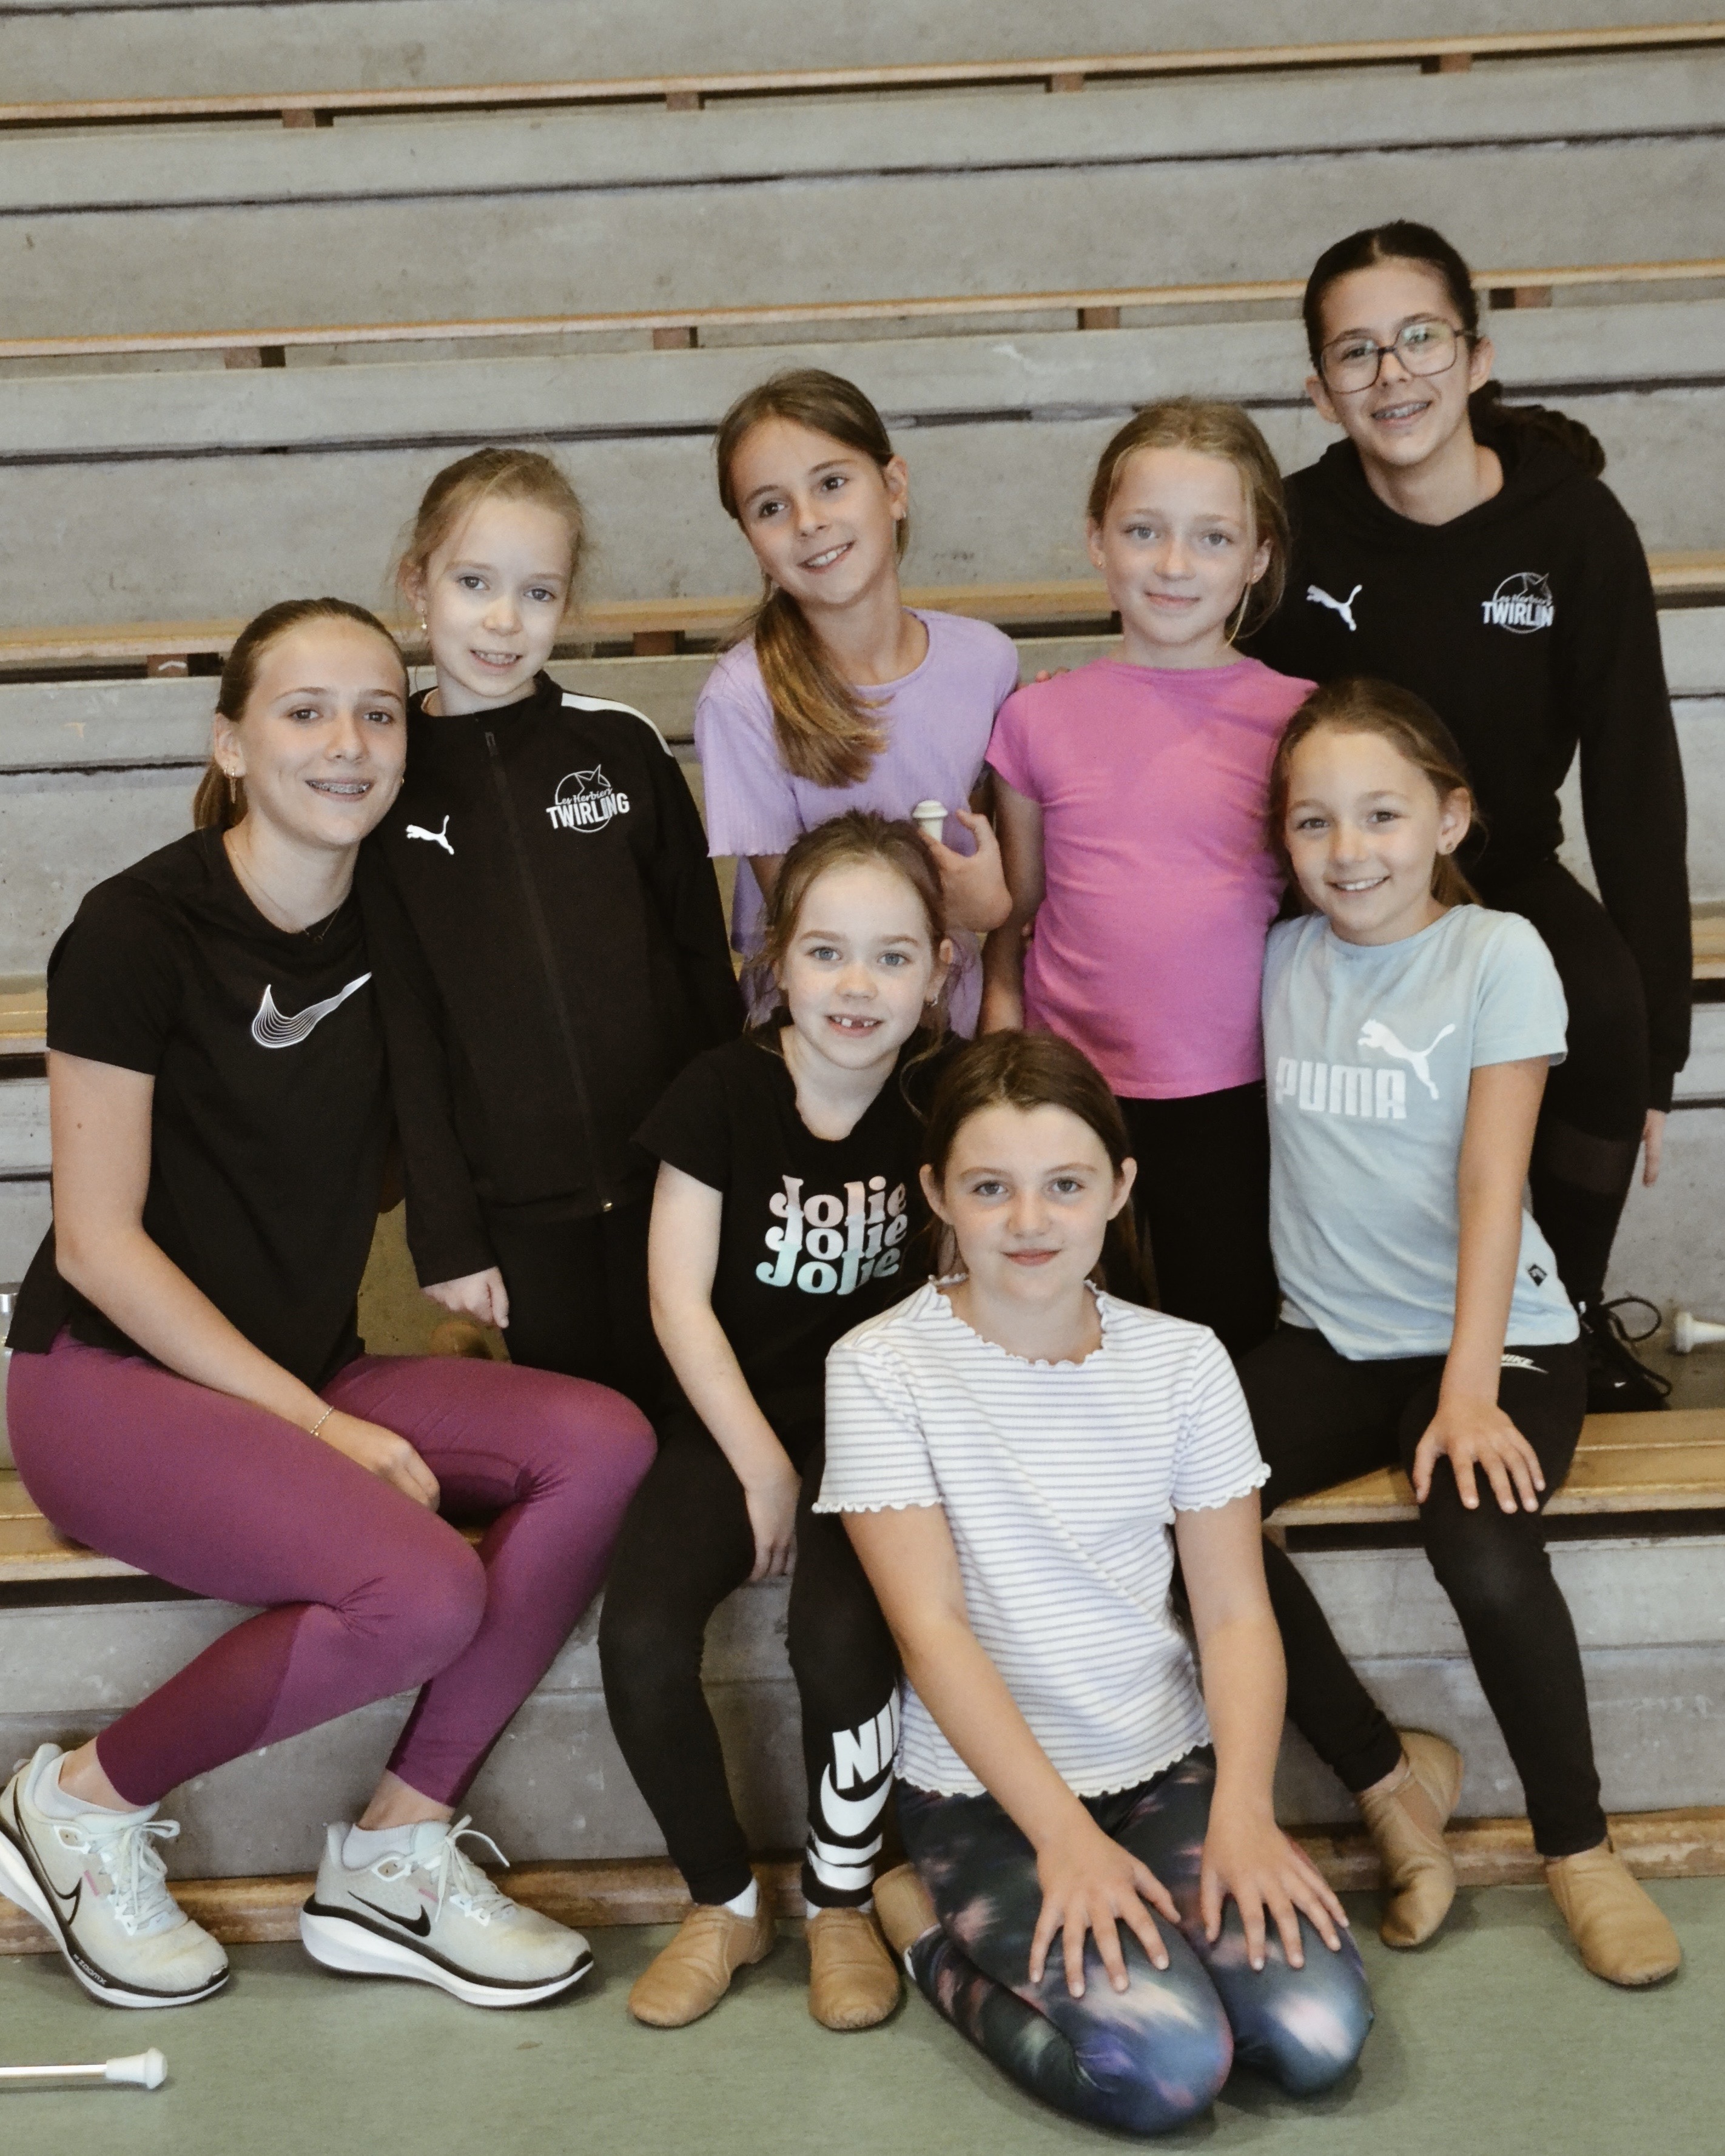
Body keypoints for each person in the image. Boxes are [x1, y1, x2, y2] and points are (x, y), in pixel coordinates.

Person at [0, 600, 656, 2011]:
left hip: (307, 1362)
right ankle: (77, 1801)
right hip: (103, 1380)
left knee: (603, 1438)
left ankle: (396, 1852)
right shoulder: (137, 926)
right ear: (231, 742)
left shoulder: (408, 924)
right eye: (304, 711)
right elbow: (102, 1248)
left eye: (377, 710)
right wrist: (323, 1428)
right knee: (422, 1587)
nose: (348, 741)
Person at [819, 1029, 1370, 2135]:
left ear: (1118, 1189)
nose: (1029, 1221)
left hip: (1164, 1764)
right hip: (986, 1797)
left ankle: (1166, 1913)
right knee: (1165, 2070)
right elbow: (931, 1631)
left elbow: (1234, 1611)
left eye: (1065, 1185)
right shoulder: (879, 1366)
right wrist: (1065, 1838)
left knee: (1314, 2039)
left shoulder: (1183, 1359)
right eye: (990, 1187)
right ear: (937, 1193)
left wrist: (1245, 1810)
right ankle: (921, 1928)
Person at [1239, 677, 1681, 1989]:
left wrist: (1471, 1387)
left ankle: (1578, 1847)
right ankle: (1388, 1780)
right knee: (1165, 1504)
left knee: (1480, 1549)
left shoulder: (1497, 954)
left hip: (1503, 1338)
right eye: (1313, 820)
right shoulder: (1279, 959)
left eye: (1381, 814)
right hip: (1331, 1338)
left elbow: (1493, 1183)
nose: (1347, 849)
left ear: (1449, 818)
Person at [1245, 220, 1689, 1411]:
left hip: (1501, 861)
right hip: (1339, 872)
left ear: (1476, 357)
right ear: (1318, 387)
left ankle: (1563, 1319)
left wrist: (1661, 1044)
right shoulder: (1293, 529)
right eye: (1355, 351)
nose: (1391, 373)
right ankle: (1280, 1313)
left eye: (1420, 338)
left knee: (1605, 1007)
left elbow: (1635, 775)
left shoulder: (1573, 526)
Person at [599, 812, 955, 2032]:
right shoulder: (719, 1093)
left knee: (840, 1638)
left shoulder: (945, 1096)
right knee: (641, 1636)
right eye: (826, 952)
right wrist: (759, 1465)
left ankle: (840, 1901)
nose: (857, 986)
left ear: (938, 973)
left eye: (892, 957)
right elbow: (676, 1299)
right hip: (729, 1414)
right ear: (775, 961)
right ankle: (720, 1900)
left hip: (877, 1428)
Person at [359, 446, 742, 1412]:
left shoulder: (619, 745)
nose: (504, 619)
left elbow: (703, 967)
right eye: (474, 583)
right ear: (417, 583)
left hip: (669, 1181)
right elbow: (407, 1032)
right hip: (518, 1208)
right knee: (588, 1435)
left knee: (689, 1414)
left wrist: (729, 1151)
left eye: (537, 592)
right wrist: (448, 1233)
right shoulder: (385, 784)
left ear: (566, 603)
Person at [980, 401, 1311, 1358]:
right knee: (1074, 1334)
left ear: (1257, 557)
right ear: (1097, 540)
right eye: (1143, 531)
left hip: (1237, 1087)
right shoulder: (1037, 719)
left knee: (1223, 1327)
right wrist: (1002, 1040)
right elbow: (1017, 911)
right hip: (1072, 1087)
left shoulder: (1299, 719)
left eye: (1213, 537)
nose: (1174, 564)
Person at [697, 368, 1017, 1030]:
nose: (809, 521)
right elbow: (806, 920)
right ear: (752, 541)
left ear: (894, 488)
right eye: (771, 507)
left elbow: (989, 850)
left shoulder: (986, 661)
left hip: (951, 1024)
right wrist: (969, 909)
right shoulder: (741, 698)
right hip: (820, 1040)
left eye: (832, 483)